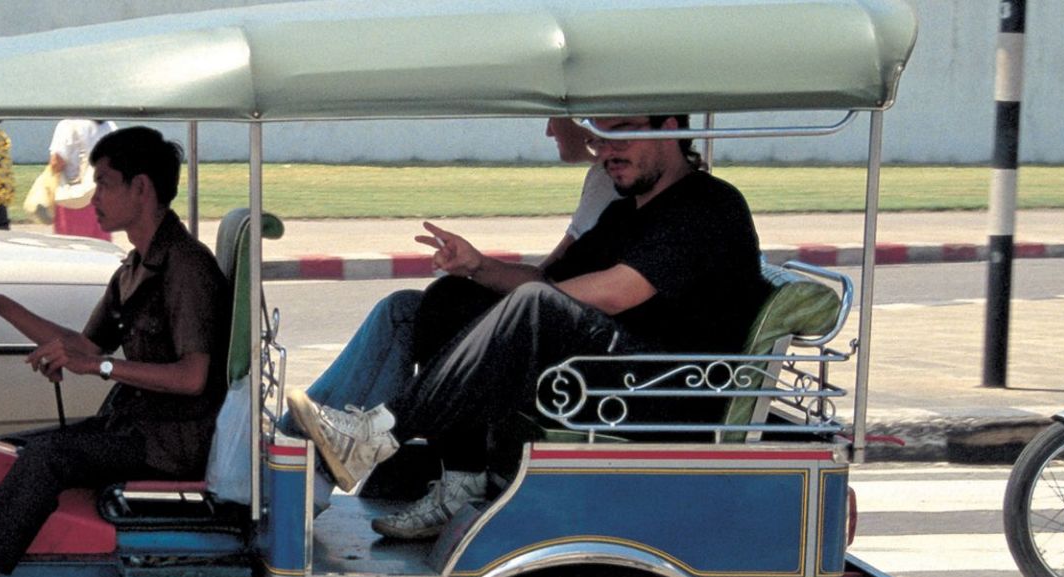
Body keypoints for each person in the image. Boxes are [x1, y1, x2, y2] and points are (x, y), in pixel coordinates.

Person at [288, 114, 768, 540]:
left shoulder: (709, 205)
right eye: (599, 139)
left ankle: (377, 433)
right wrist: (477, 266)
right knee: (450, 298)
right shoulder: (625, 213)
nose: (607, 152)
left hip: (669, 393)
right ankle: (462, 480)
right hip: (608, 376)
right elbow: (547, 281)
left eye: (621, 134)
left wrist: (522, 308)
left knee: (533, 305)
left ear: (671, 130)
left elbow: (618, 290)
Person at [0, 127, 230, 577]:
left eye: (105, 184)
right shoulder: (136, 266)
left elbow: (193, 377)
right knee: (6, 452)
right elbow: (86, 345)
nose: (94, 197)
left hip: (170, 443)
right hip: (135, 427)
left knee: (47, 460)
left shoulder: (186, 268)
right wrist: (0, 305)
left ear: (141, 189)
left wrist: (99, 369)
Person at [296, 118, 617, 425]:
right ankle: (335, 426)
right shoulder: (608, 189)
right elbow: (547, 275)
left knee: (424, 306)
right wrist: (478, 266)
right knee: (417, 304)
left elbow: (551, 286)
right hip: (556, 328)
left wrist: (506, 289)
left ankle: (345, 430)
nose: (549, 131)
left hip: (567, 345)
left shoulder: (612, 189)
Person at [47, 118, 117, 240]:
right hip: (104, 200)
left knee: (70, 246)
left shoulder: (68, 124)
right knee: (101, 247)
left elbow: (56, 162)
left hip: (75, 198)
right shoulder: (110, 126)